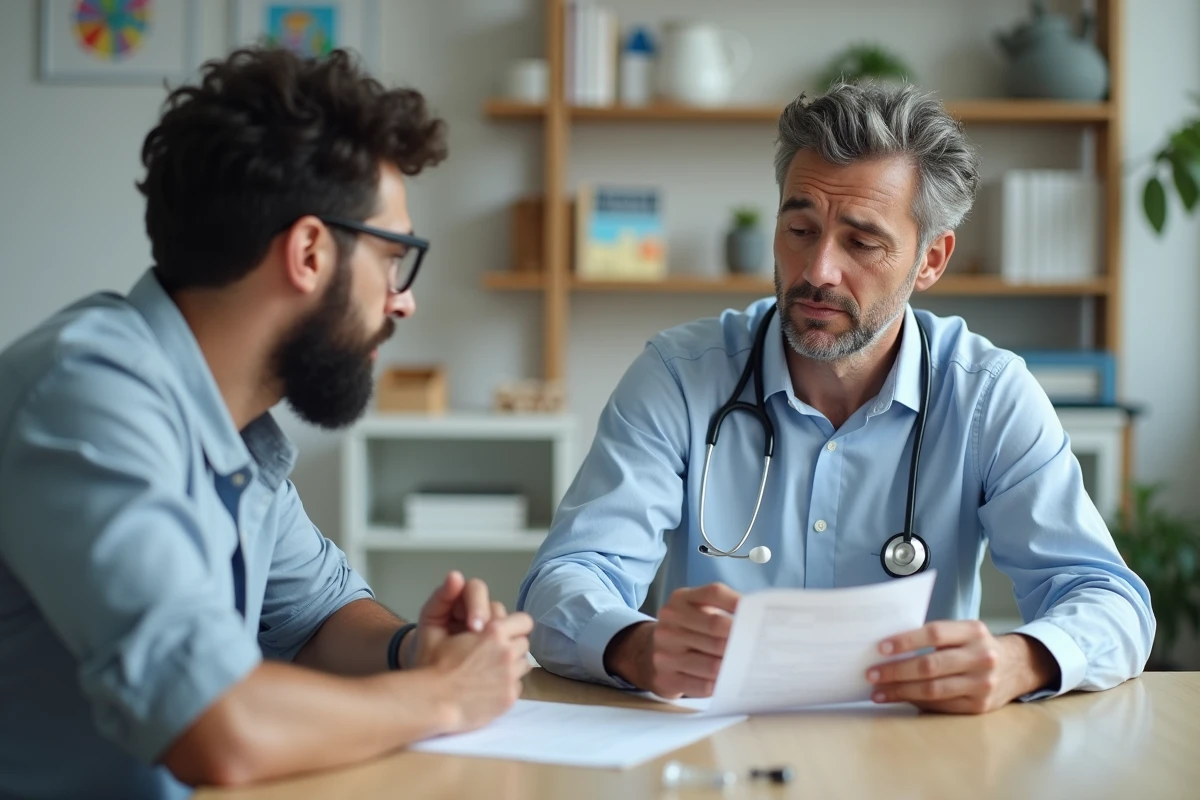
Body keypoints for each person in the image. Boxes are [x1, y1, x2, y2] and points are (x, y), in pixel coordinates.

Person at [518, 83, 1154, 714]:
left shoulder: (987, 394)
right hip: (714, 750)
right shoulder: (680, 378)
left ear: (930, 259)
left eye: (861, 242)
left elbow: (1110, 601)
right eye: (800, 228)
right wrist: (636, 645)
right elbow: (563, 581)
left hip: (914, 755)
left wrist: (1023, 660)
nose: (818, 269)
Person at [0, 47, 532, 799]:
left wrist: (418, 650)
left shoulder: (231, 426)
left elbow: (316, 619)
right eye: (394, 259)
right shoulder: (85, 398)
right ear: (310, 251)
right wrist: (445, 695)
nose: (403, 301)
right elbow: (214, 726)